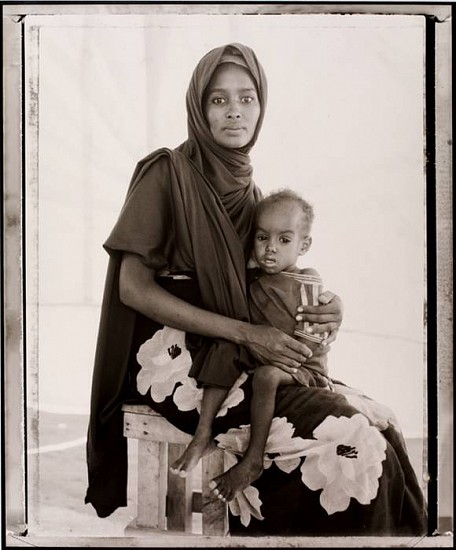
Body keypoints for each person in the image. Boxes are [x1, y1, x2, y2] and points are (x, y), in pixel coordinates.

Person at [85, 43, 427, 536]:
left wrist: (333, 307)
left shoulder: (252, 194)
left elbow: (264, 282)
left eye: (247, 98)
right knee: (353, 438)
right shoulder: (168, 173)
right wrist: (246, 333)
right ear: (199, 108)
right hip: (178, 366)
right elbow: (133, 289)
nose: (234, 112)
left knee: (382, 420)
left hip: (241, 354)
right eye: (219, 100)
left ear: (262, 104)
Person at [171, 189, 332, 502]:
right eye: (262, 238)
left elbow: (313, 337)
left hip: (303, 366)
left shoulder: (306, 280)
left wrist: (287, 360)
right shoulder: (252, 279)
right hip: (260, 355)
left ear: (304, 245)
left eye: (284, 240)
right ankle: (203, 433)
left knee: (267, 376)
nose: (270, 249)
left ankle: (253, 460)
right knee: (224, 347)